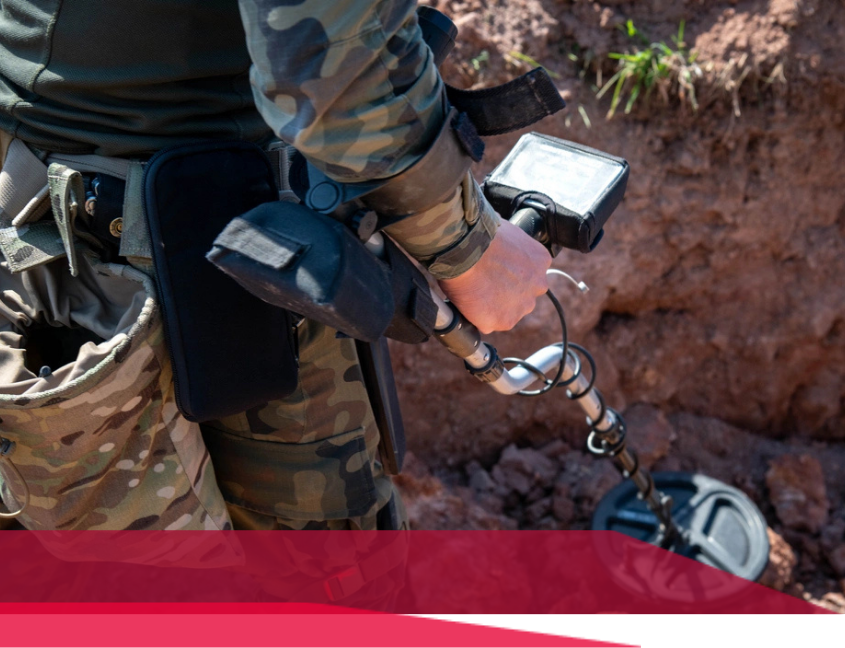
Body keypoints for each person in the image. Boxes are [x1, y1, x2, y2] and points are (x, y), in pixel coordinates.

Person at [0, 1, 550, 537]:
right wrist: (466, 245)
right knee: (328, 573)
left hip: (42, 201)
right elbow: (334, 58)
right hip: (201, 241)